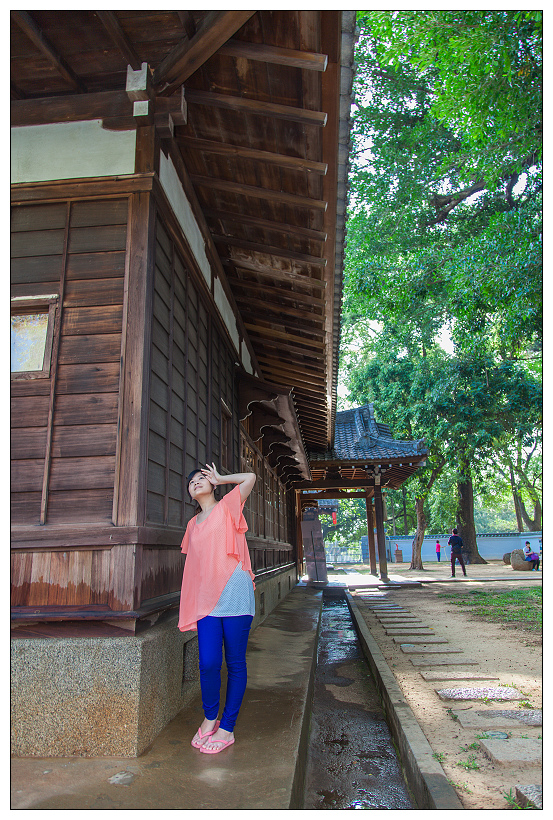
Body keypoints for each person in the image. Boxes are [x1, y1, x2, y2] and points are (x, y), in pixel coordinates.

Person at [178, 463, 257, 754]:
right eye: (192, 482)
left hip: (235, 594)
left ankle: (227, 728)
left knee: (235, 662)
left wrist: (222, 478)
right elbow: (194, 569)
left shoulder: (227, 506)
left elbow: (250, 477)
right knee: (209, 662)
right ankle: (210, 718)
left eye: (202, 478)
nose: (197, 482)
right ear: (189, 494)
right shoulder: (192, 525)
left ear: (212, 484)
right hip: (207, 602)